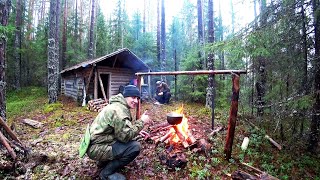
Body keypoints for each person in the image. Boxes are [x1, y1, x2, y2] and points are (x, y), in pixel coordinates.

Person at [79, 85, 150, 180]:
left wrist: (137, 132)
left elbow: (120, 130)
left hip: (98, 143)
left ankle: (103, 163)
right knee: (134, 147)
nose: (136, 101)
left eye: (137, 98)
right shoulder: (119, 111)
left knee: (130, 142)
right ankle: (106, 174)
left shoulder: (117, 105)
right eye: (133, 97)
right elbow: (125, 137)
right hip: (96, 148)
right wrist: (141, 122)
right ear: (125, 96)